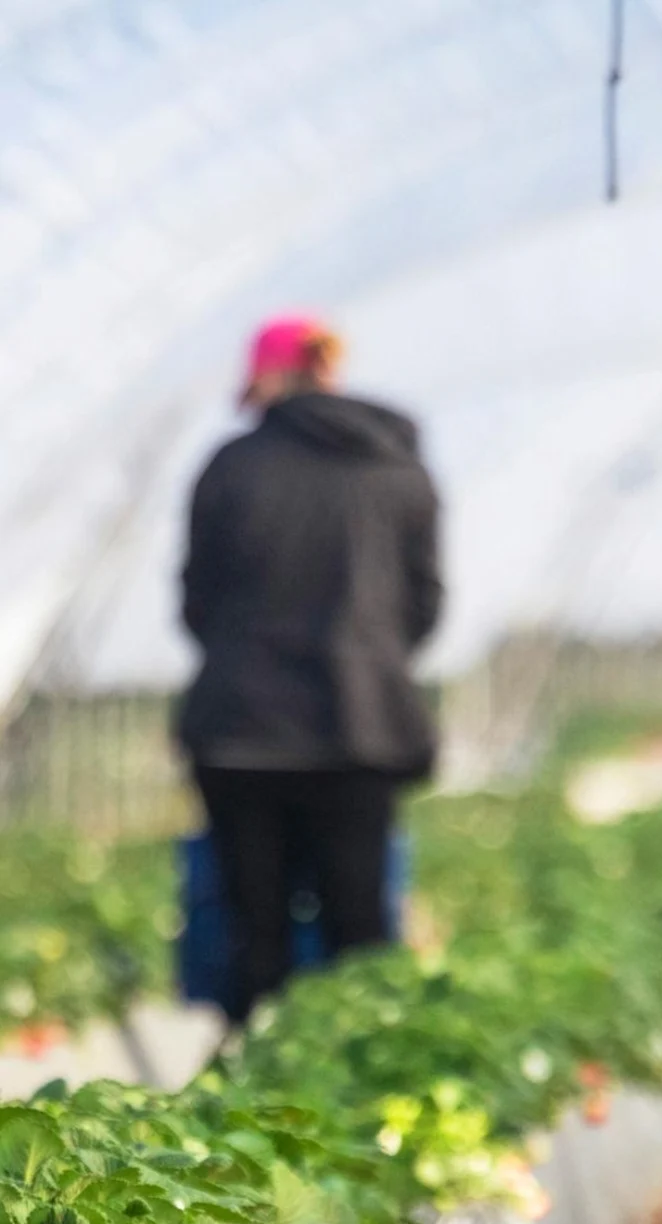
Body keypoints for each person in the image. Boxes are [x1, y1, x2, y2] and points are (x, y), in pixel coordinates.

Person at [179, 314, 443, 1023]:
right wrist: (370, 659)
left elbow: (196, 602)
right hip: (360, 731)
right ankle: (356, 1100)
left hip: (241, 733)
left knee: (253, 934)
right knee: (357, 928)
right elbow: (424, 605)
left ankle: (255, 1110)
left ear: (269, 376)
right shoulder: (398, 468)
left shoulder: (230, 467)